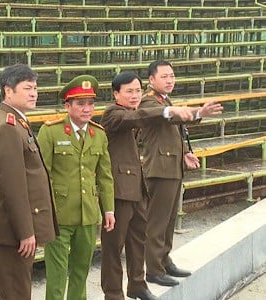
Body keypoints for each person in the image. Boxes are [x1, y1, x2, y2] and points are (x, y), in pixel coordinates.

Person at [100, 71, 200, 300]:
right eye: (129, 91)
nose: (135, 96)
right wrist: (168, 111)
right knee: (114, 248)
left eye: (137, 90)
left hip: (137, 188)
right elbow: (139, 118)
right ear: (116, 94)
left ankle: (138, 285)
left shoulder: (131, 112)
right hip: (118, 191)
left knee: (137, 241)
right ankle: (113, 294)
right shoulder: (114, 114)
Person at [138, 60, 223, 287]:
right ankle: (154, 269)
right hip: (159, 169)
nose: (170, 80)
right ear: (151, 79)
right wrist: (197, 112)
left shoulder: (164, 99)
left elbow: (171, 131)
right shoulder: (148, 101)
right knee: (157, 221)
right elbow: (166, 116)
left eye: (172, 76)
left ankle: (165, 260)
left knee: (169, 219)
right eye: (164, 76)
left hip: (173, 166)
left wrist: (185, 151)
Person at [37, 75, 115, 300]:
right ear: (67, 105)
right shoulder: (51, 132)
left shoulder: (98, 134)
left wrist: (108, 209)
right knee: (57, 273)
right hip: (59, 214)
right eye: (80, 103)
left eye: (90, 103)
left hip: (88, 214)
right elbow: (43, 176)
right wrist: (45, 213)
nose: (87, 109)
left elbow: (105, 176)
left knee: (81, 270)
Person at [0, 64, 59, 300]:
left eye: (36, 88)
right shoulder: (7, 127)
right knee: (16, 292)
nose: (34, 93)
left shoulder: (17, 122)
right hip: (12, 231)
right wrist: (26, 231)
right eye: (28, 88)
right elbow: (13, 186)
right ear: (8, 91)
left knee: (20, 289)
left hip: (16, 228)